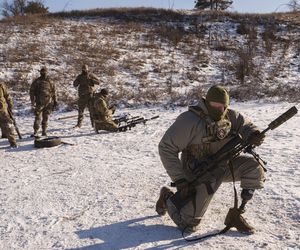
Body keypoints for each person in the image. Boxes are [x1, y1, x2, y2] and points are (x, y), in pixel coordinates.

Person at [156, 85, 266, 234]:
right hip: (198, 172)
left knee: (254, 168)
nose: (219, 109)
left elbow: (246, 125)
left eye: (223, 106)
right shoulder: (189, 121)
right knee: (189, 225)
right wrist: (180, 179)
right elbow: (166, 147)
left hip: (224, 165)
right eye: (214, 105)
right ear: (207, 102)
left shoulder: (231, 116)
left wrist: (254, 134)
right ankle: (167, 197)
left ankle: (236, 214)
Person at [30, 66, 57, 137]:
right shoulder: (37, 81)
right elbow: (31, 91)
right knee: (38, 117)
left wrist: (55, 100)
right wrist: (32, 100)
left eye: (45, 72)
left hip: (48, 102)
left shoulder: (50, 81)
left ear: (47, 72)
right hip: (39, 102)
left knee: (46, 117)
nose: (43, 73)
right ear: (40, 72)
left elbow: (54, 91)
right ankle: (35, 131)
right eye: (42, 72)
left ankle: (44, 131)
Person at [0, 82, 17, 147]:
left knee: (7, 124)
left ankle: (13, 142)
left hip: (2, 109)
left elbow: (7, 96)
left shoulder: (1, 85)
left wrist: (10, 105)